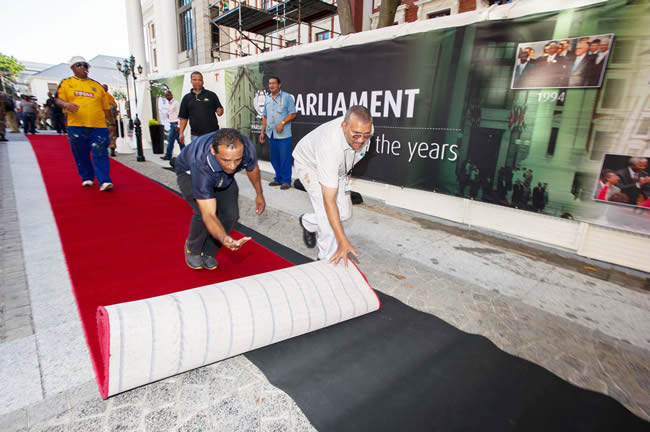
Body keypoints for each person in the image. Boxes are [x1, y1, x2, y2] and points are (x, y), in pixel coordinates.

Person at [175, 128, 265, 270]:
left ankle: (208, 252)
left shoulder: (245, 147)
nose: (232, 166)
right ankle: (193, 249)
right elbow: (209, 215)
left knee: (231, 215)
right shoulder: (201, 163)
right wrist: (224, 238)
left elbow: (252, 168)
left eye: (237, 160)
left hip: (223, 177)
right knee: (202, 213)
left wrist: (259, 194)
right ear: (213, 150)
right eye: (226, 160)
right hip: (190, 175)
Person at [293, 105, 373, 265]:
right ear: (344, 126)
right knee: (325, 212)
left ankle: (308, 222)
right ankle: (326, 259)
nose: (361, 140)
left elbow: (352, 152)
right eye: (356, 135)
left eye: (366, 135)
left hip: (339, 170)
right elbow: (329, 201)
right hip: (311, 165)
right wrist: (342, 240)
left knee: (344, 212)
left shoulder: (364, 127)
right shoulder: (329, 146)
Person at [55, 56, 115, 191]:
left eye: (85, 65)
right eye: (79, 65)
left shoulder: (97, 86)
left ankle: (104, 180)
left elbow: (106, 108)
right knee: (80, 153)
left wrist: (111, 125)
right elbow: (57, 99)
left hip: (98, 126)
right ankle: (87, 177)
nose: (83, 67)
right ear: (72, 68)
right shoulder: (66, 83)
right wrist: (66, 104)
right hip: (76, 125)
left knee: (100, 152)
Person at [259, 76, 297, 190]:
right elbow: (265, 117)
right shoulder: (267, 99)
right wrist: (262, 132)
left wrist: (283, 122)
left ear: (279, 85)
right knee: (275, 158)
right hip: (271, 134)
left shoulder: (287, 97)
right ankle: (278, 178)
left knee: (284, 158)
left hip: (284, 135)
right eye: (270, 83)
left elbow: (293, 114)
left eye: (274, 83)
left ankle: (286, 180)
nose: (271, 85)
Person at [178, 71, 224, 147]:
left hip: (212, 134)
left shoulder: (211, 95)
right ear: (191, 81)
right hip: (196, 136)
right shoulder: (186, 98)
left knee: (213, 156)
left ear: (203, 82)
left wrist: (220, 111)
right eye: (195, 80)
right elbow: (183, 118)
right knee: (197, 157)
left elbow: (220, 111)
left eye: (199, 80)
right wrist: (181, 133)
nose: (197, 82)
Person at [161, 90, 183, 160]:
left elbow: (180, 114)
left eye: (168, 95)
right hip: (172, 124)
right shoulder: (170, 104)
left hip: (175, 124)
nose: (167, 97)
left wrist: (178, 125)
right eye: (166, 96)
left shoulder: (176, 103)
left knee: (170, 140)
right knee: (180, 141)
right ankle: (185, 155)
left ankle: (168, 155)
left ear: (171, 95)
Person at [102, 85, 119, 156]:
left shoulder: (100, 99)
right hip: (111, 122)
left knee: (103, 135)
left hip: (102, 122)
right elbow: (115, 109)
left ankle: (104, 149)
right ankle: (112, 149)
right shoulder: (110, 99)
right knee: (112, 136)